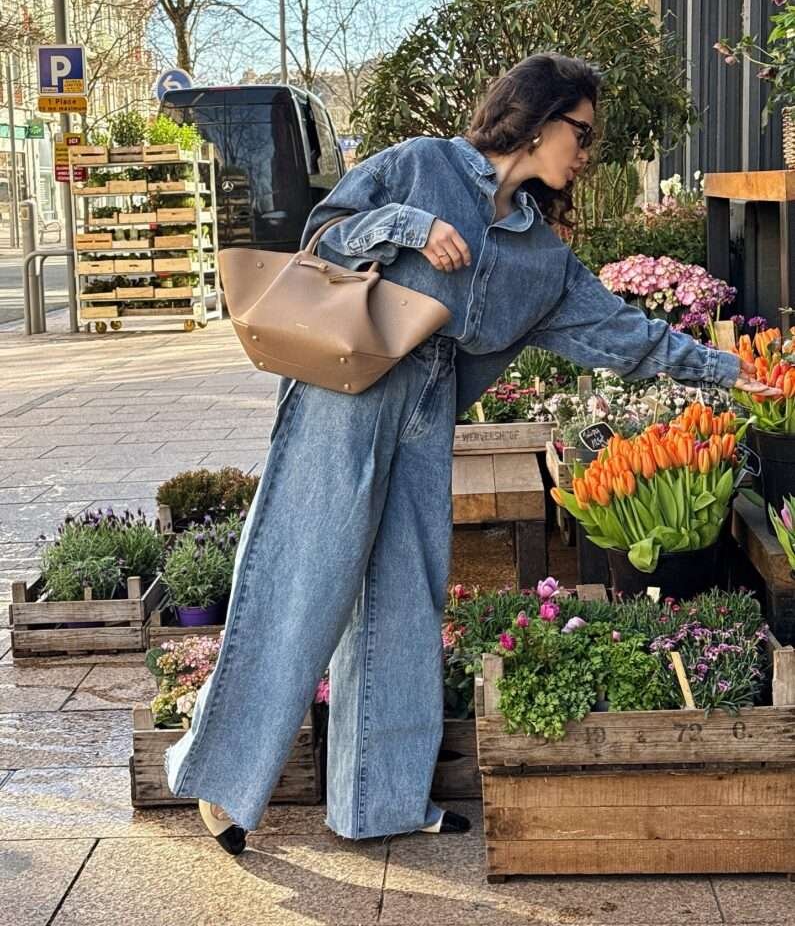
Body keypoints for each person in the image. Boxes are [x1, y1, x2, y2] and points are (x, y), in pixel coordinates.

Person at [163, 52, 776, 856]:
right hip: (342, 395)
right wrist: (410, 226)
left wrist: (733, 371)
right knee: (300, 573)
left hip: (425, 413)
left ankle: (378, 802)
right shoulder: (420, 163)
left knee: (404, 598)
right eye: (581, 132)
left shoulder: (540, 256)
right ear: (536, 115)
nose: (586, 154)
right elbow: (324, 237)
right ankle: (222, 779)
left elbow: (625, 334)